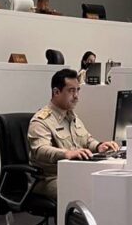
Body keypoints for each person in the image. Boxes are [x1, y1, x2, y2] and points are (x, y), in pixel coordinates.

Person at [28, 69, 119, 199]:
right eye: (71, 91)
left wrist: (99, 146)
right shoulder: (41, 120)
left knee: (108, 185)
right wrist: (67, 153)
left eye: (77, 90)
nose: (76, 96)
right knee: (85, 192)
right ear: (56, 92)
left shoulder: (72, 116)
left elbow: (87, 140)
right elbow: (40, 150)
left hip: (74, 173)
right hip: (49, 178)